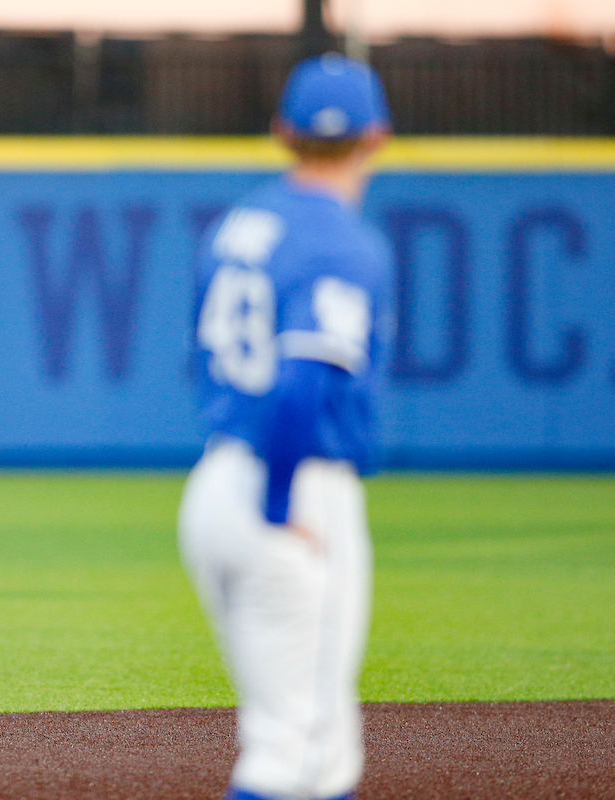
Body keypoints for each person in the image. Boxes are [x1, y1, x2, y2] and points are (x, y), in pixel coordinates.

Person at [178, 54, 393, 800]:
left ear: (281, 132)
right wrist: (279, 506)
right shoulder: (345, 243)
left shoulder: (237, 227)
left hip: (214, 483)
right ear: (379, 136)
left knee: (317, 749)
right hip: (293, 484)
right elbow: (305, 381)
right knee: (292, 752)